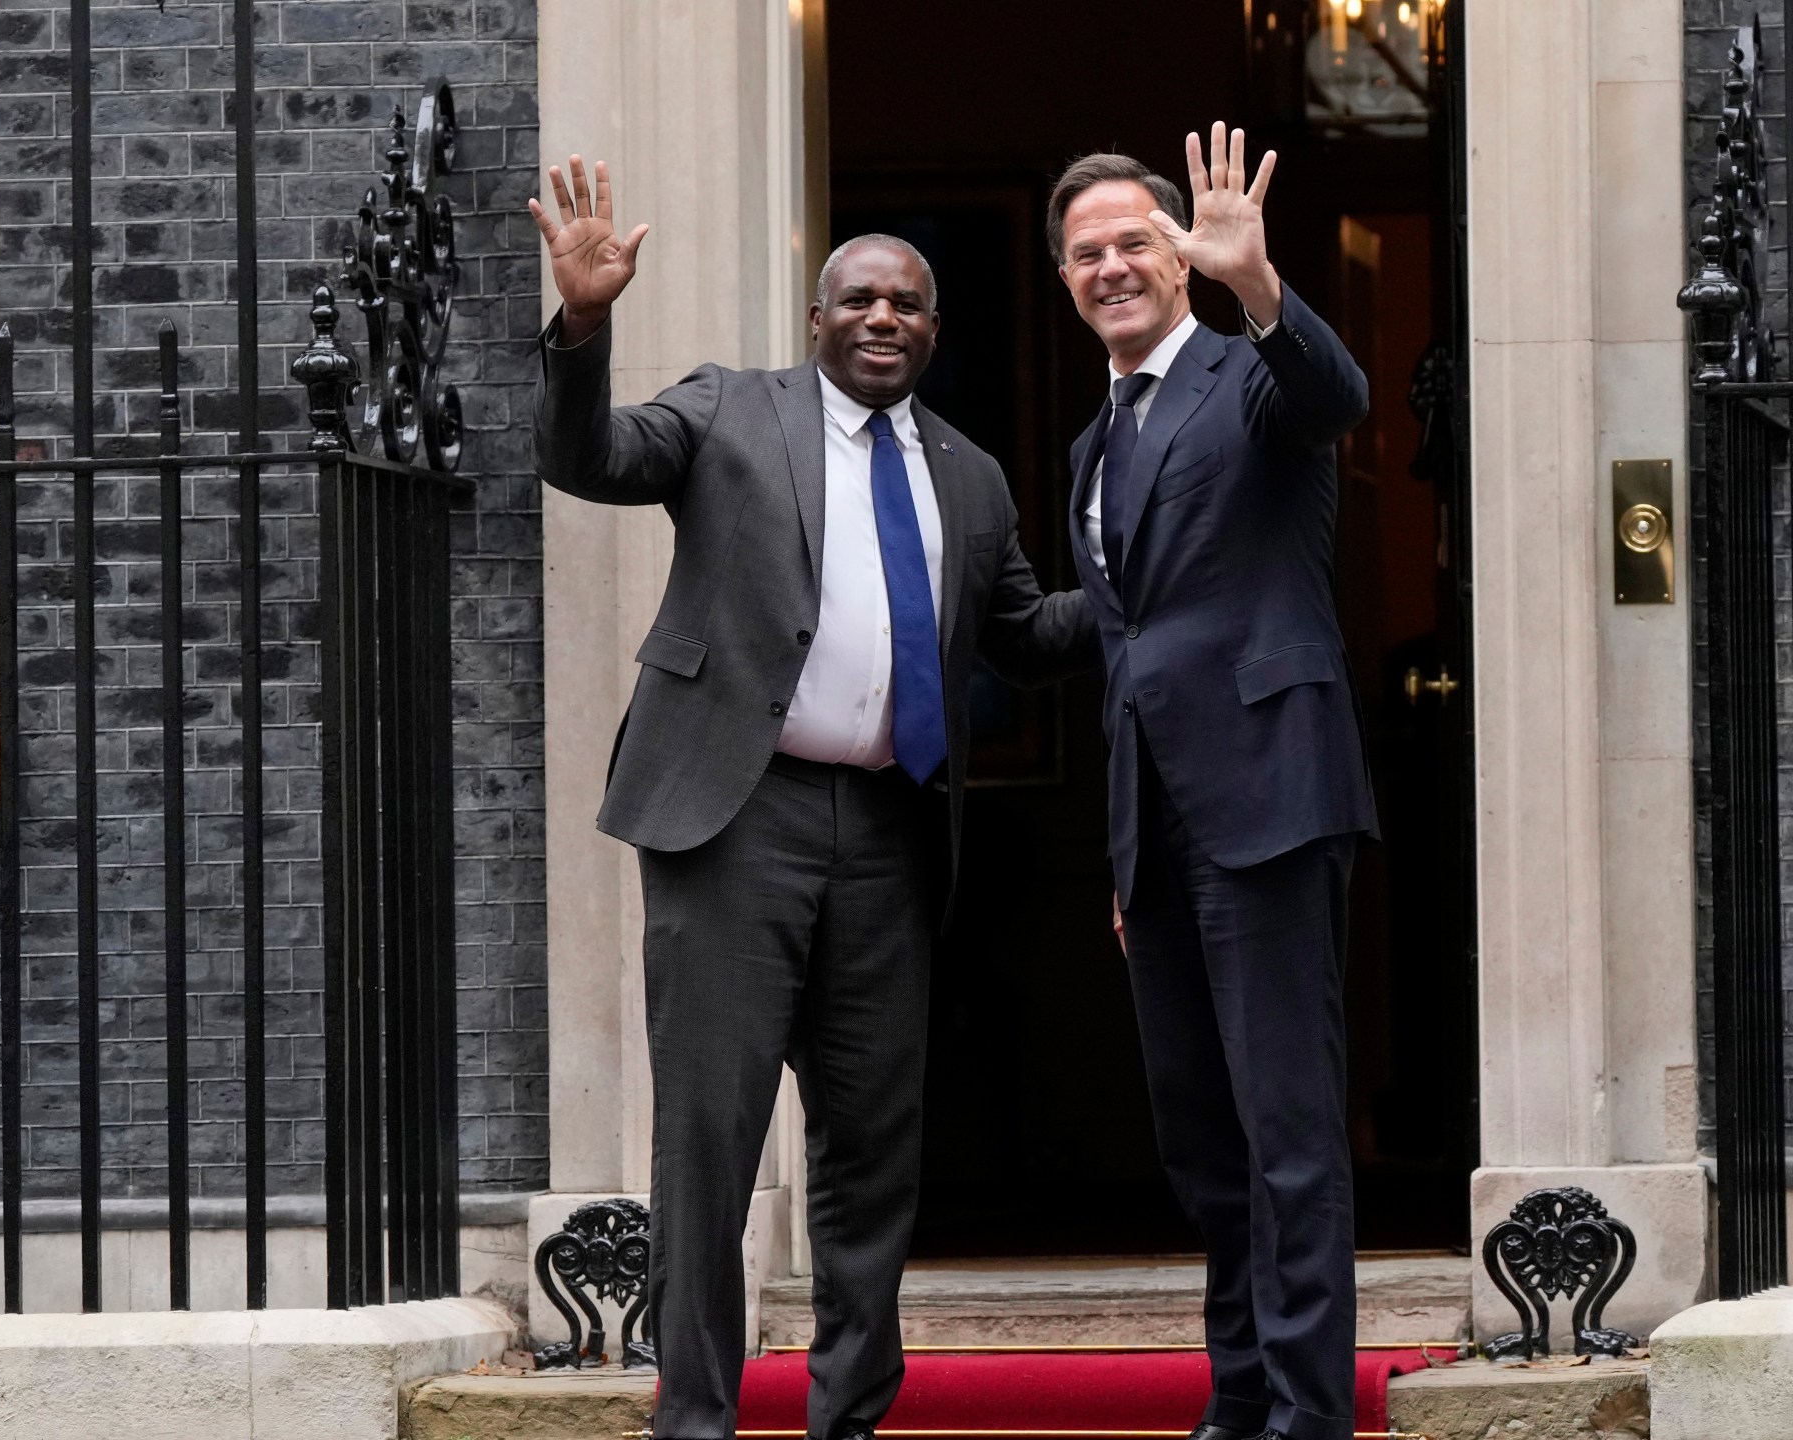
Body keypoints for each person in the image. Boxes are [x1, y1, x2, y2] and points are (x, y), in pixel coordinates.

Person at [527, 157, 1091, 1440]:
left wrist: (1138, 571)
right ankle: (696, 1421)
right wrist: (584, 327)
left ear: (933, 332)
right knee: (710, 1145)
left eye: (906, 303)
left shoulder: (971, 476)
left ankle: (847, 1417)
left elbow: (1025, 634)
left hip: (890, 833)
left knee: (871, 1153)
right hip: (736, 821)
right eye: (860, 300)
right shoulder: (730, 411)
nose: (883, 317)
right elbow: (588, 456)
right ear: (819, 319)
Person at [1047, 126, 1375, 1440]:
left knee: (1289, 1134)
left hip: (1273, 807)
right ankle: (1241, 1399)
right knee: (1206, 1145)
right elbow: (1128, 652)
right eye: (1086, 254)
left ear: (1182, 251)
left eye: (1135, 241)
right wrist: (1132, 855)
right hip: (1165, 835)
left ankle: (1308, 1413)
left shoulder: (1248, 380)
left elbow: (1335, 395)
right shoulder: (1092, 447)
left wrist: (1261, 287)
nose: (1112, 266)